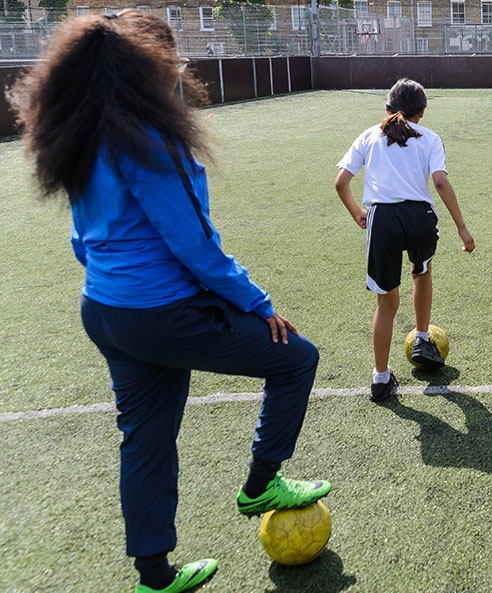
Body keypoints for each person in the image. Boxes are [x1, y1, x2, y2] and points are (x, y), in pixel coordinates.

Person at [8, 10, 333, 593]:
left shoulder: (85, 131)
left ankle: (155, 577)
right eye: (177, 63)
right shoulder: (151, 138)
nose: (182, 74)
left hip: (105, 312)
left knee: (146, 440)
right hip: (163, 313)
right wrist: (259, 305)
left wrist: (121, 285)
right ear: (155, 69)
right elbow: (197, 247)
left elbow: (82, 240)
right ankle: (261, 483)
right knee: (296, 358)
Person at [335, 78, 475, 400]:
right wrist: (462, 228)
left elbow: (341, 181)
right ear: (422, 113)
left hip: (381, 219)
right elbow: (440, 182)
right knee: (421, 271)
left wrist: (358, 212)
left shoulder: (369, 135)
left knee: (386, 302)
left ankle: (381, 379)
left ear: (387, 108)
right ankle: (423, 338)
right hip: (419, 219)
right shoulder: (430, 138)